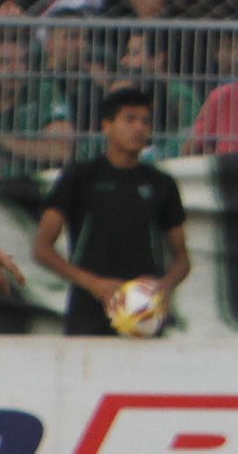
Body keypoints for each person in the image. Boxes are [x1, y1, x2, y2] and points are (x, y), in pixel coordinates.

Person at [35, 81, 187, 337]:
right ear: (107, 125)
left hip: (144, 314)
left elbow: (182, 259)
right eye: (130, 119)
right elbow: (42, 249)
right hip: (88, 313)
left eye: (145, 121)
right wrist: (94, 284)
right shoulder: (80, 177)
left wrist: (164, 286)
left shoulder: (162, 183)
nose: (139, 128)